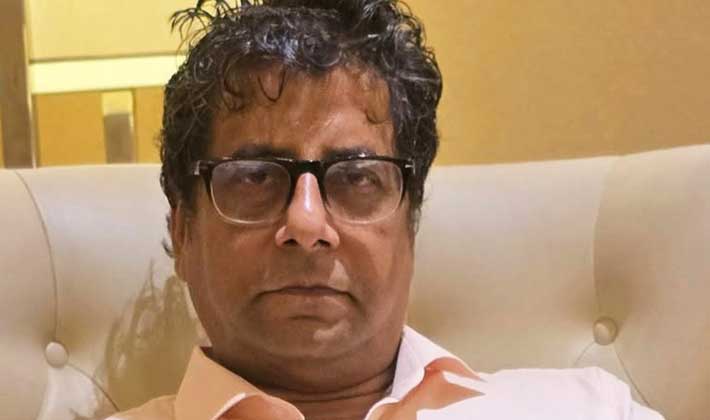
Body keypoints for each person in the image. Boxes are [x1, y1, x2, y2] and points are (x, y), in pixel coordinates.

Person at [108, 1, 665, 419]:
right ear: (183, 231)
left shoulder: (588, 409)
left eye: (357, 178)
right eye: (255, 177)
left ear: (410, 225)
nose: (306, 223)